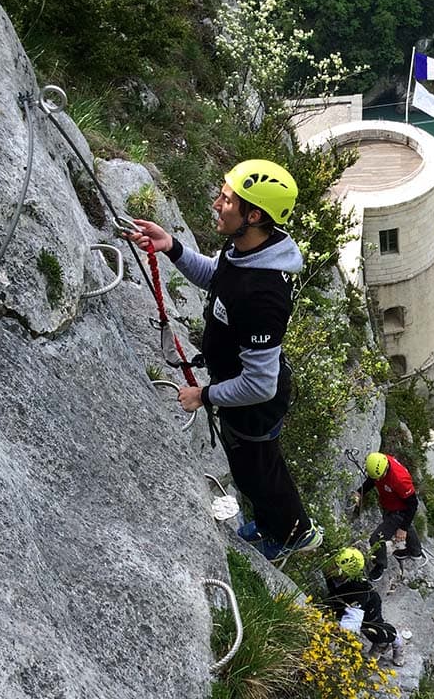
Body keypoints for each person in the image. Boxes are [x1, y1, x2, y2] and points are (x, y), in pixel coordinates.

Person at [128, 159, 322, 559]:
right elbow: (217, 275)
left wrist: (204, 396)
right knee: (254, 469)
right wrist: (172, 247)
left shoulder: (262, 294)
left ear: (254, 215)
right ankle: (273, 523)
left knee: (259, 473)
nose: (217, 204)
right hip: (239, 392)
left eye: (227, 200)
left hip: (254, 406)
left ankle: (293, 534)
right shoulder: (250, 250)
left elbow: (260, 384)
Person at [321, 548, 405, 666]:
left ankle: (394, 639)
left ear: (344, 572)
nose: (330, 567)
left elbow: (352, 623)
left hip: (369, 605)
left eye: (335, 566)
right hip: (343, 599)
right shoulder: (333, 575)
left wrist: (336, 632)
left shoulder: (358, 590)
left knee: (372, 628)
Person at [352, 451, 423, 580]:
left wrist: (403, 528)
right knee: (406, 526)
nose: (378, 480)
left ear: (386, 468)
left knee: (376, 538)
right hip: (391, 504)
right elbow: (373, 479)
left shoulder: (399, 480)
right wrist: (359, 492)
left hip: (399, 510)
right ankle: (415, 551)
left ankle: (380, 565)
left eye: (381, 477)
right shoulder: (380, 462)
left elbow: (413, 504)